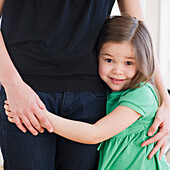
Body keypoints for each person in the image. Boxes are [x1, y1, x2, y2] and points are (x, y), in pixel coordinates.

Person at [0, 0, 170, 170]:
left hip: (90, 97)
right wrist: (12, 84)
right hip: (23, 91)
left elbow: (139, 36)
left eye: (128, 63)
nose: (118, 70)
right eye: (110, 60)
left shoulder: (137, 96)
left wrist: (166, 101)